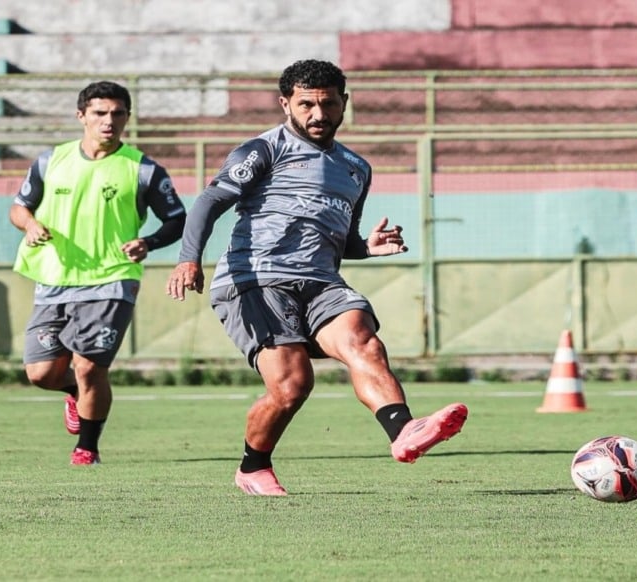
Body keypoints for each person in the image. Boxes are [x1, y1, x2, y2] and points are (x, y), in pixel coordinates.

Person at [166, 59, 468, 495]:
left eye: (328, 104)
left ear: (345, 103)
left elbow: (342, 240)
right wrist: (188, 259)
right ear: (285, 104)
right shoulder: (263, 150)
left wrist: (365, 246)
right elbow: (210, 201)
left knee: (363, 340)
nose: (318, 114)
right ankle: (253, 467)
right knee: (293, 384)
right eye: (306, 104)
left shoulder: (356, 168)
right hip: (255, 279)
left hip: (320, 281)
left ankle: (404, 429)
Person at [10, 81, 187, 464]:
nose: (109, 121)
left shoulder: (143, 169)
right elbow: (19, 208)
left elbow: (177, 219)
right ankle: (76, 394)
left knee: (89, 366)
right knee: (41, 374)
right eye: (100, 113)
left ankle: (87, 448)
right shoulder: (51, 161)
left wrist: (149, 243)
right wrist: (30, 225)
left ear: (127, 117)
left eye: (117, 113)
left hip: (111, 280)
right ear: (82, 116)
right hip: (54, 277)